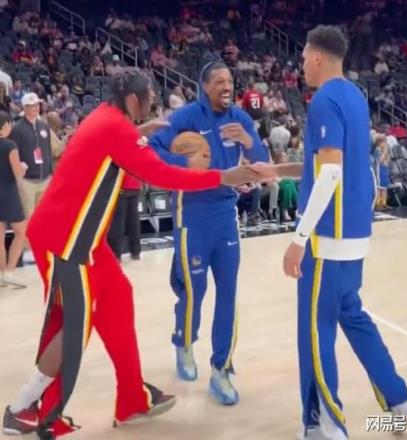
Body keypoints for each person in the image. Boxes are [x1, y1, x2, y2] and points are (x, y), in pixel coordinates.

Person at [2, 69, 260, 439]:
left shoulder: (107, 118)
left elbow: (112, 146)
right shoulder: (116, 129)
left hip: (82, 239)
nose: (152, 105)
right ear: (134, 100)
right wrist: (221, 176)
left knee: (118, 296)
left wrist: (140, 132)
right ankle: (21, 408)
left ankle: (132, 398)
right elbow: (163, 174)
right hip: (64, 240)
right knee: (74, 327)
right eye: (149, 99)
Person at [254, 26, 407, 440]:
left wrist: (298, 239)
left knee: (315, 332)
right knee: (353, 317)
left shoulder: (325, 100)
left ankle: (326, 426)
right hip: (354, 233)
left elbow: (329, 173)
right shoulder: (355, 97)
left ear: (316, 57)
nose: (301, 66)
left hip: (326, 237)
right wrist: (277, 170)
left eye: (302, 59)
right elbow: (333, 165)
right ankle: (400, 401)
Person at [149, 61, 269, 405]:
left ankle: (221, 369)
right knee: (194, 289)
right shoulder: (185, 117)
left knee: (228, 293)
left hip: (226, 214)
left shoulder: (240, 119)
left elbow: (262, 165)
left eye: (230, 81)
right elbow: (153, 150)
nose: (227, 86)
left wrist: (248, 141)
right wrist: (185, 164)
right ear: (205, 86)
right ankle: (184, 341)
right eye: (219, 81)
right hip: (192, 212)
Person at [9, 93, 52, 221]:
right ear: (25, 108)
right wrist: (19, 169)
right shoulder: (17, 129)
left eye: (37, 104)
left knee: (42, 217)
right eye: (32, 105)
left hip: (45, 179)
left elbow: (48, 149)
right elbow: (13, 152)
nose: (36, 108)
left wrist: (50, 172)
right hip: (27, 181)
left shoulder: (43, 125)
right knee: (28, 218)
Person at [0, 111, 28, 288]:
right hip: (8, 193)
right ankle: (9, 271)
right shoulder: (10, 145)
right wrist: (23, 167)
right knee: (20, 232)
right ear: (6, 125)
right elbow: (17, 172)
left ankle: (1, 273)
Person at [107, 173, 142, 261]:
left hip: (121, 185)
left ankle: (116, 254)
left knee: (117, 222)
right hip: (135, 185)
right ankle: (135, 252)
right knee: (133, 221)